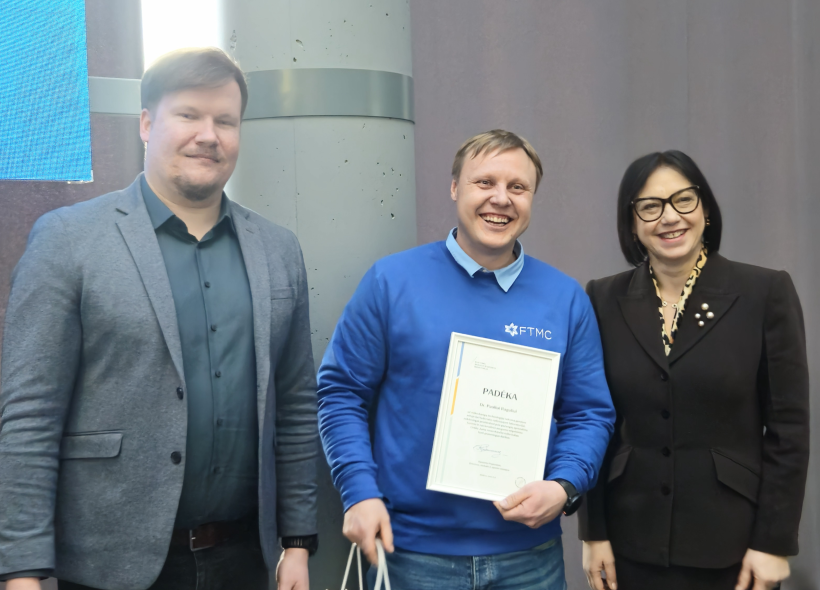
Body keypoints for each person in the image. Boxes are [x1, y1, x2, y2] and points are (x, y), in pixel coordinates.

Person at [0, 48, 319, 590]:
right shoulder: (68, 239)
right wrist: (22, 570)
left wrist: (297, 542)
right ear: (147, 124)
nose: (208, 135)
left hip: (243, 561)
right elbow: (31, 414)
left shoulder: (278, 249)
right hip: (108, 566)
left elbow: (295, 405)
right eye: (188, 115)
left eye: (225, 121)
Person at [317, 129, 615, 589]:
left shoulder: (565, 298)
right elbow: (340, 393)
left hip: (530, 561)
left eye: (518, 187)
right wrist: (358, 492)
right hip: (411, 554)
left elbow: (589, 414)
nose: (501, 199)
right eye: (485, 182)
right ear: (455, 187)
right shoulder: (391, 282)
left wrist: (564, 485)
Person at [578, 151, 809, 590]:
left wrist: (773, 542)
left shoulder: (764, 292)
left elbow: (789, 430)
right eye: (650, 206)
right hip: (630, 543)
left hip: (734, 546)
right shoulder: (602, 299)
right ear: (631, 223)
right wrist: (594, 531)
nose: (670, 217)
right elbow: (594, 419)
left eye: (683, 200)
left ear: (705, 209)